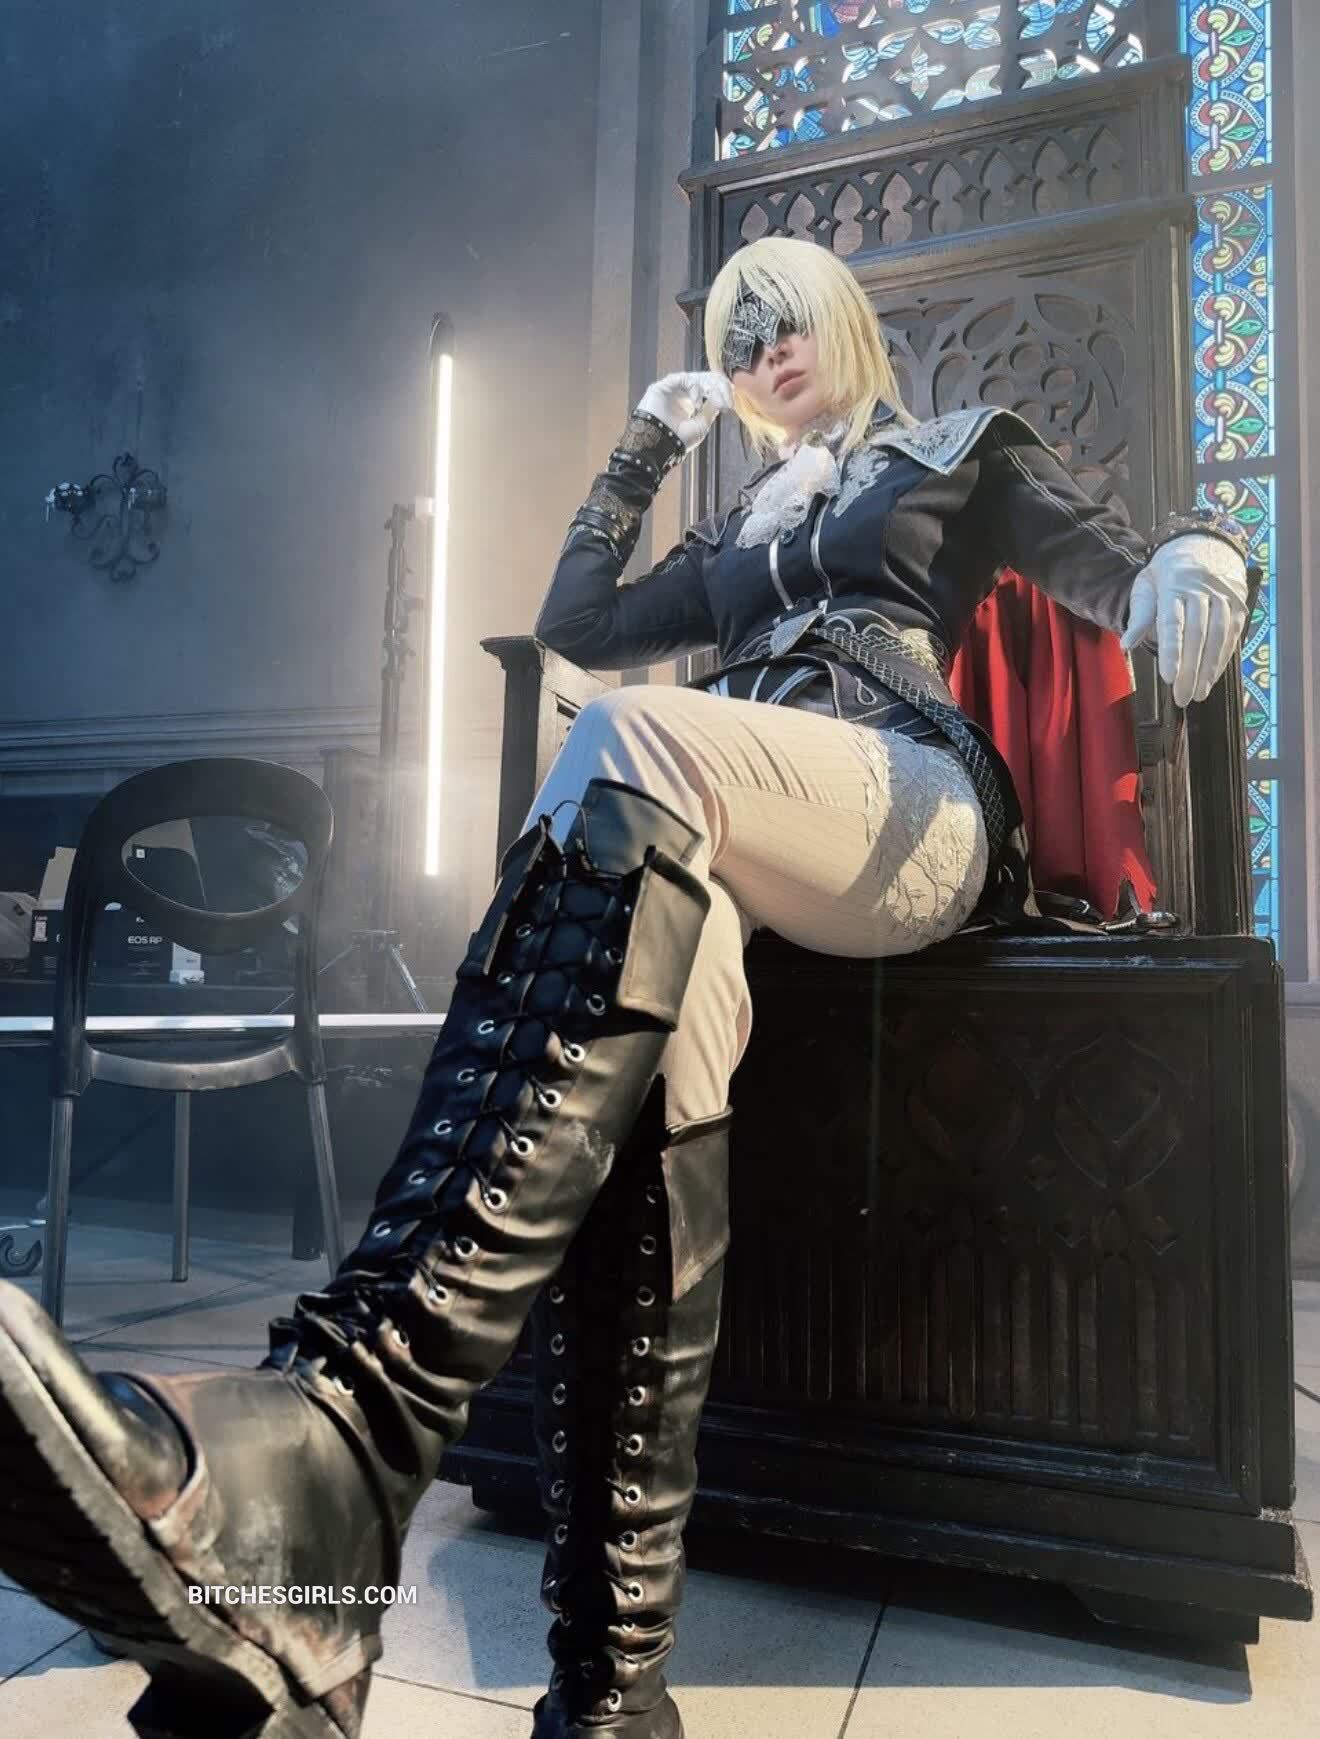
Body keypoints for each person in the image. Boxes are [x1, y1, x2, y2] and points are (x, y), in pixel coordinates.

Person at [0, 236, 1249, 1739]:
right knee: (640, 1047)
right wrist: (647, 443)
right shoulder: (740, 531)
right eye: (739, 336)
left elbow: (1111, 561)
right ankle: (611, 1685)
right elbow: (580, 622)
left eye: (786, 318)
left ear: (843, 320)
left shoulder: (955, 452)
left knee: (626, 743)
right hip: (732, 849)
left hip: (914, 811)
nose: (766, 349)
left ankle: (349, 1429)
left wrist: (1198, 554)